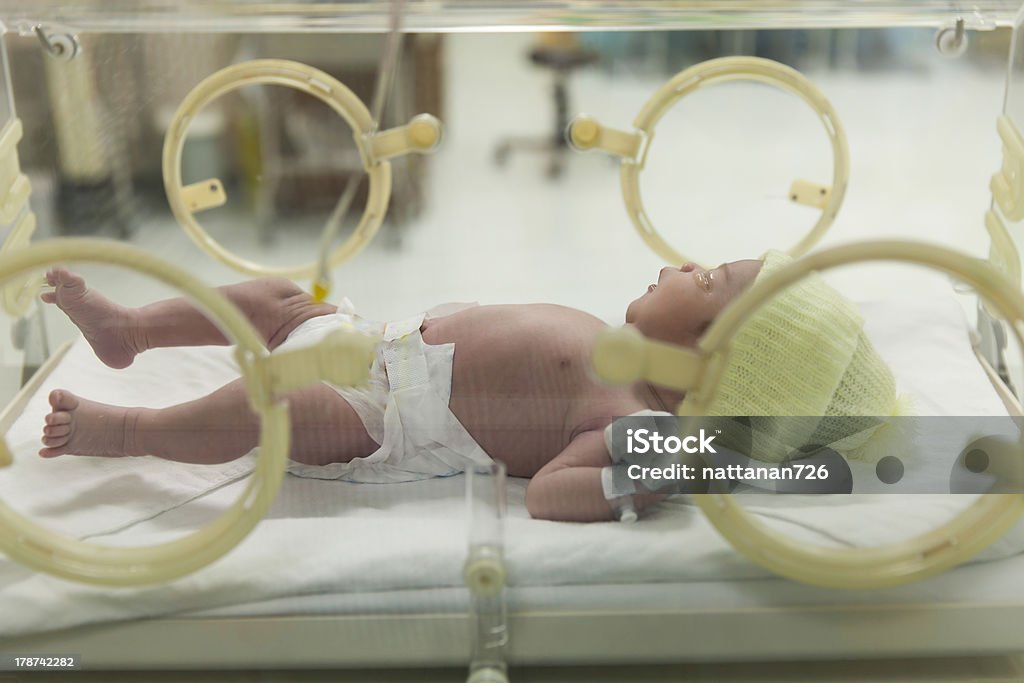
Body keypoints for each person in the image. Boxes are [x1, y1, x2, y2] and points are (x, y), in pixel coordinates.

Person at [36, 251, 902, 522]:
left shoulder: (629, 419)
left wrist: (641, 474)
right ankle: (131, 330)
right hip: (371, 342)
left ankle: (134, 429)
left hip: (384, 419)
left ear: (714, 362)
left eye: (704, 278)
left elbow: (549, 497)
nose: (678, 262)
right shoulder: (625, 356)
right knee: (279, 297)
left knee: (272, 406)